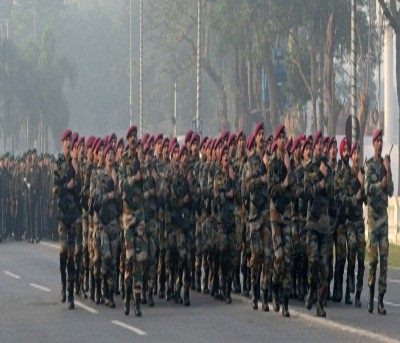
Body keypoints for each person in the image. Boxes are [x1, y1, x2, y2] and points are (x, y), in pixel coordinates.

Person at [364, 129, 393, 315]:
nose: (380, 144)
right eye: (377, 141)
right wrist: (379, 185)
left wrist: (388, 171)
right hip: (373, 221)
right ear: (373, 144)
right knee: (373, 261)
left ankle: (381, 300)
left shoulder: (384, 166)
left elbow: (390, 191)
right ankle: (370, 296)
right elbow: (367, 189)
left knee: (384, 261)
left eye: (382, 141)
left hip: (384, 220)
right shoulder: (370, 166)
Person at [53, 129, 80, 310]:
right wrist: (66, 185)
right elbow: (55, 190)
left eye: (71, 141)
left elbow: (82, 190)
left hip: (74, 217)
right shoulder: (59, 164)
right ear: (62, 143)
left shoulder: (76, 164)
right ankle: (63, 282)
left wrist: (77, 175)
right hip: (63, 216)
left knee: (72, 256)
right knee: (63, 252)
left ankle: (70, 293)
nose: (69, 144)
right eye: (66, 141)